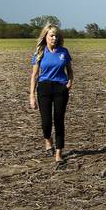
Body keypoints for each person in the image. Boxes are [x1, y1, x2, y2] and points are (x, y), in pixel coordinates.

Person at [29, 25, 73, 163]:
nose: (54, 38)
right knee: (46, 122)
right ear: (45, 37)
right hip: (44, 88)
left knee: (59, 121)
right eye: (51, 35)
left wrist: (70, 82)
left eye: (56, 36)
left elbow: (69, 70)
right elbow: (35, 75)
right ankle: (48, 140)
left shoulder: (64, 52)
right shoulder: (39, 52)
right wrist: (31, 96)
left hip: (60, 88)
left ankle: (59, 152)